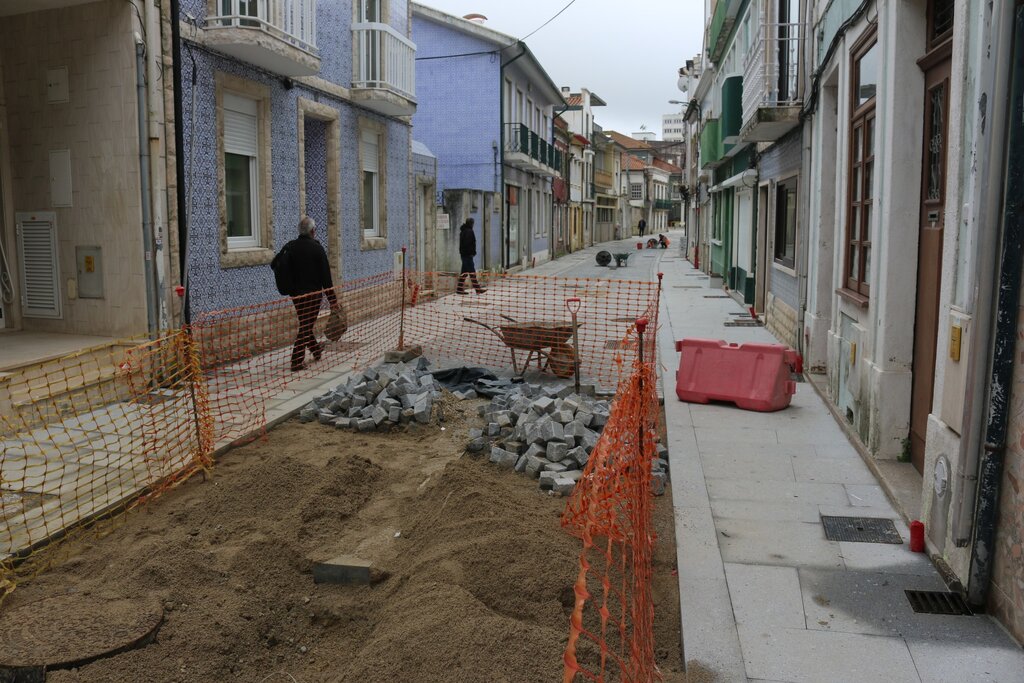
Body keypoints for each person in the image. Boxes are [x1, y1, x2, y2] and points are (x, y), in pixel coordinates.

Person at [272, 216, 339, 372]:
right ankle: (296, 361)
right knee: (306, 325)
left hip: (296, 296)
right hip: (313, 295)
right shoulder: (317, 248)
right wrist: (333, 300)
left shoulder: (290, 246)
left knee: (305, 323)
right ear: (313, 231)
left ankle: (316, 350)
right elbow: (326, 277)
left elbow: (276, 264)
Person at [457, 217, 487, 295]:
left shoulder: (463, 231)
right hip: (467, 255)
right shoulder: (469, 231)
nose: (473, 224)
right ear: (470, 223)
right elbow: (468, 244)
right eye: (472, 223)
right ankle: (477, 289)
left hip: (464, 255)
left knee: (464, 273)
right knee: (472, 273)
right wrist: (472, 253)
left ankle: (459, 289)